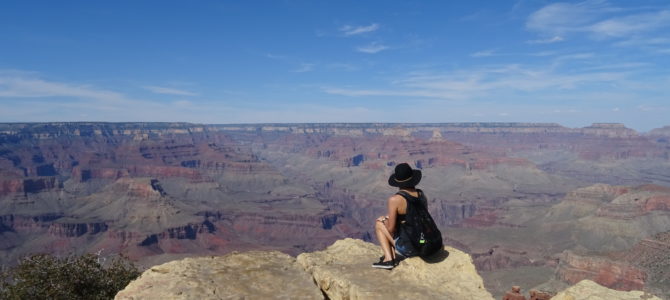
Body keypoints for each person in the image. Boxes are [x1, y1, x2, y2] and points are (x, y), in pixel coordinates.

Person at [372, 162, 425, 269]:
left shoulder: (395, 200)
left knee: (379, 224)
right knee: (387, 221)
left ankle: (388, 260)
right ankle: (391, 255)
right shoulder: (421, 194)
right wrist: (389, 218)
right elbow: (415, 217)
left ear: (397, 182)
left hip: (410, 249)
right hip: (423, 243)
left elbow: (391, 230)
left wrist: (385, 221)